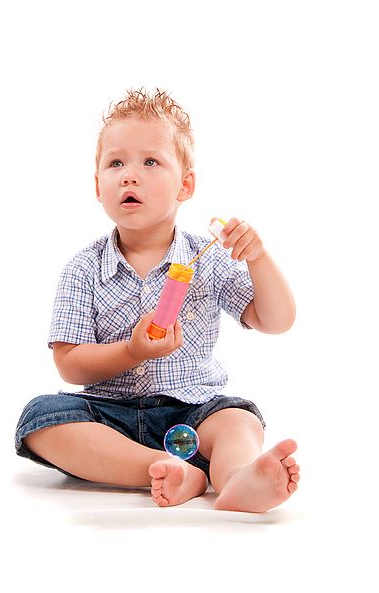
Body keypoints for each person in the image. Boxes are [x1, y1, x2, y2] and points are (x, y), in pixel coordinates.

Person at [15, 88, 300, 512]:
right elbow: (69, 364)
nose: (130, 175)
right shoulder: (82, 269)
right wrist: (131, 350)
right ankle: (171, 469)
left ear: (185, 184)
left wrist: (257, 258)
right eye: (116, 163)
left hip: (194, 412)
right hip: (108, 416)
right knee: (41, 418)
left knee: (237, 421)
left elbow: (274, 320)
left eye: (150, 162)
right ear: (98, 185)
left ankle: (240, 478)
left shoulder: (209, 260)